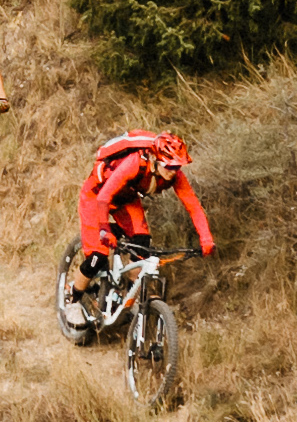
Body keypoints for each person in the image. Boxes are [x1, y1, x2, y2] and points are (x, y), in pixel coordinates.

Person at [62, 126, 214, 326]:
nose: (173, 172)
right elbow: (104, 197)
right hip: (96, 195)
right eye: (169, 167)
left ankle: (132, 299)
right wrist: (104, 229)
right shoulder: (134, 163)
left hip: (126, 199)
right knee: (97, 256)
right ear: (156, 160)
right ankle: (72, 298)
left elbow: (193, 206)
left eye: (177, 167)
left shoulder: (175, 175)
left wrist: (206, 238)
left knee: (142, 245)